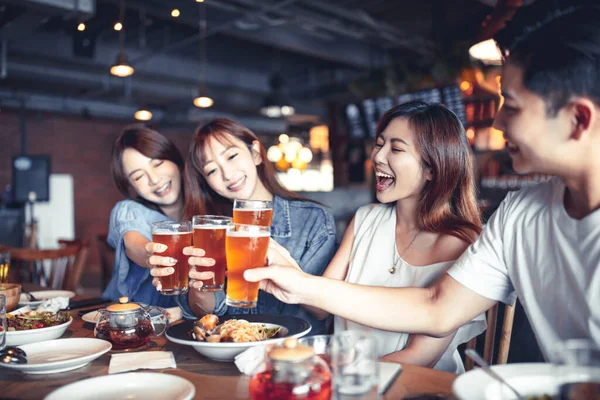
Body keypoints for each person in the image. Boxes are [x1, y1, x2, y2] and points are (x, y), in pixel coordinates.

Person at [244, 0, 600, 362]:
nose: (497, 124)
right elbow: (437, 307)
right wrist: (300, 284)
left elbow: (426, 341)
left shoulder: (478, 229)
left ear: (577, 120)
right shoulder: (521, 212)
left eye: (511, 106)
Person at [269, 101, 486, 373]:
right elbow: (320, 307)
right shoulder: (365, 219)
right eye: (379, 144)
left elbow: (420, 359)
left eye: (395, 149)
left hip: (415, 389)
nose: (378, 157)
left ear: (432, 167)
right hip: (347, 381)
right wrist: (286, 267)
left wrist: (337, 378)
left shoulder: (459, 242)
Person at [150, 118, 337, 334]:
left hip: (294, 354)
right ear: (206, 182)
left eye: (231, 156)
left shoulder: (313, 219)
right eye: (211, 171)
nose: (227, 175)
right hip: (231, 355)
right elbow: (205, 313)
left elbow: (323, 310)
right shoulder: (209, 231)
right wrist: (199, 284)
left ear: (256, 153)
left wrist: (286, 271)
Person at [102, 125, 185, 307]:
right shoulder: (128, 209)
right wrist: (151, 255)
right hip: (126, 318)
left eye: (157, 164)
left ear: (175, 160)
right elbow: (134, 244)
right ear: (131, 186)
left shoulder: (205, 218)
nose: (154, 180)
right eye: (139, 176)